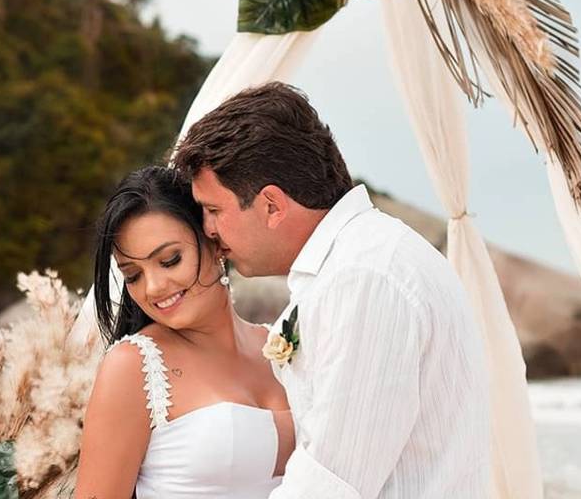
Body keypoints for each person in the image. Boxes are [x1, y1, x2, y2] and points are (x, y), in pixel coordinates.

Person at [172, 81, 492, 499]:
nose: (208, 230)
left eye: (214, 210)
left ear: (272, 205)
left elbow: (330, 485)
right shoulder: (358, 261)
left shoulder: (364, 276)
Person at [74, 165, 295, 498]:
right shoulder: (133, 367)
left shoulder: (281, 345)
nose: (153, 287)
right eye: (133, 275)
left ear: (213, 240)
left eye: (170, 260)